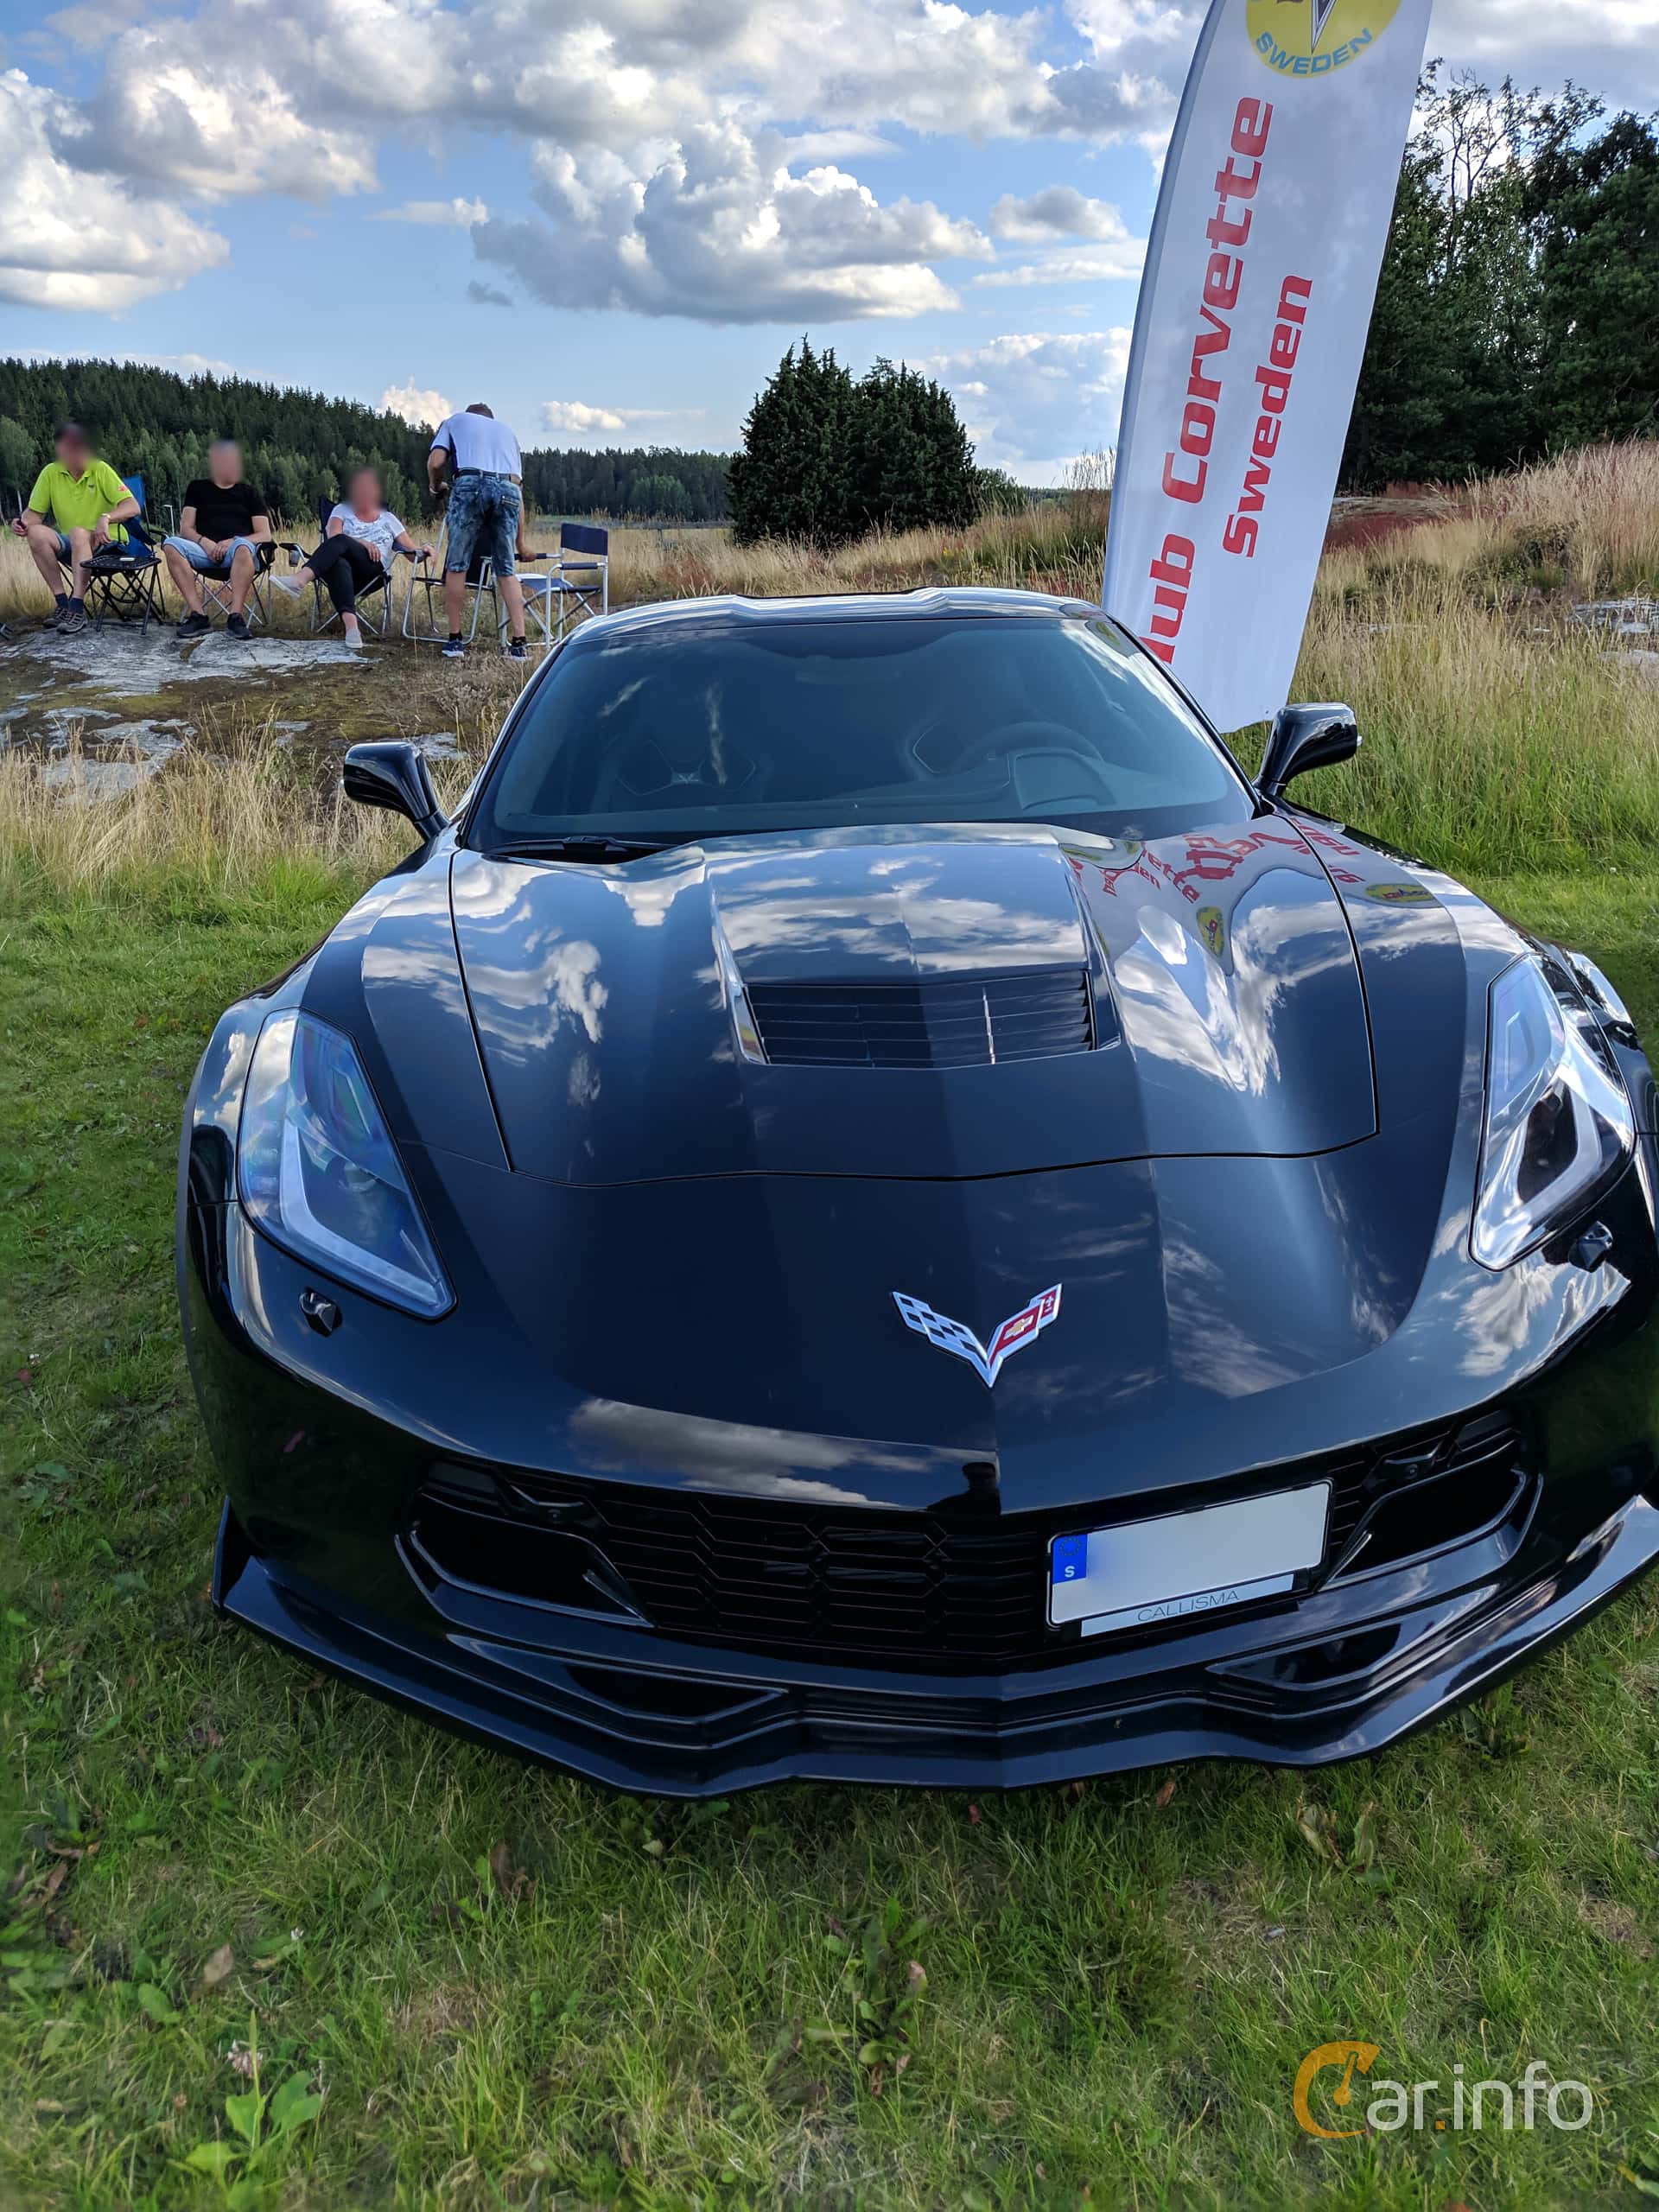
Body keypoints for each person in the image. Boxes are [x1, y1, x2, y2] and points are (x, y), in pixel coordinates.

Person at [271, 467, 431, 648]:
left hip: (373, 570)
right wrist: (363, 542)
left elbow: (412, 554)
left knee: (341, 544)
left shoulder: (388, 519)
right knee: (339, 563)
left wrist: (425, 549)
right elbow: (333, 538)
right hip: (339, 570)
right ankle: (352, 629)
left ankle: (300, 580)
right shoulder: (341, 510)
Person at [10, 421, 139, 637]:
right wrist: (22, 523)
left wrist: (106, 517)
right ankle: (63, 604)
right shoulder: (51, 473)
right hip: (73, 543)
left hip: (108, 542)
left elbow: (131, 506)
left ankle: (77, 608)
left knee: (79, 532)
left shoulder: (100, 470)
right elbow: (34, 515)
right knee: (36, 532)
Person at [427, 401, 528, 660]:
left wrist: (435, 486)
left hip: (470, 484)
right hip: (508, 490)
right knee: (506, 569)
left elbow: (437, 461)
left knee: (457, 564)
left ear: (470, 416)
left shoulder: (455, 421)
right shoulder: (508, 433)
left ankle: (455, 640)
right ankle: (519, 643)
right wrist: (521, 543)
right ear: (491, 418)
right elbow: (518, 490)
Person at [162, 441, 273, 639]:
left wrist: (232, 541)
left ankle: (235, 617)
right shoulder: (197, 488)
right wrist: (204, 542)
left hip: (238, 553)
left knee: (243, 546)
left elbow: (264, 534)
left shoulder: (249, 493)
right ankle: (198, 616)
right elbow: (185, 529)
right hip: (205, 552)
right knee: (171, 544)